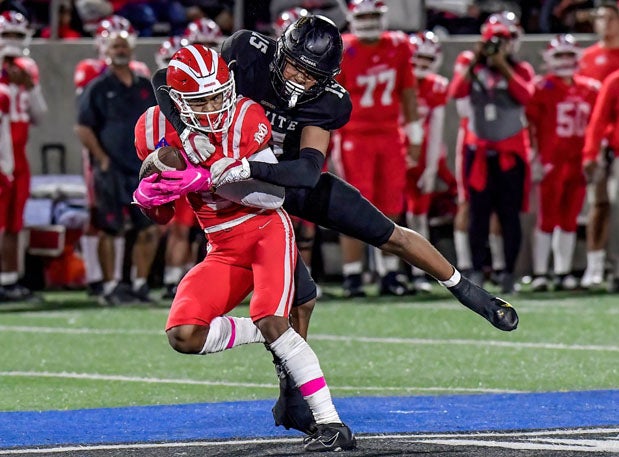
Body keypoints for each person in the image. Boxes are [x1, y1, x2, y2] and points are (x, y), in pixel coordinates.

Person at [149, 14, 518, 436]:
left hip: (279, 177)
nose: (297, 80)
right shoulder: (246, 54)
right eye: (292, 66)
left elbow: (307, 171)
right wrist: (189, 137)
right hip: (243, 195)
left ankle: (468, 290)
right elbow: (164, 77)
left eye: (311, 75)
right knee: (301, 297)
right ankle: (292, 393)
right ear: (279, 52)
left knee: (387, 234)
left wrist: (237, 166)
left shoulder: (330, 102)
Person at [132, 44, 356, 452]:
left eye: (221, 93)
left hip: (266, 231)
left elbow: (271, 199)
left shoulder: (245, 116)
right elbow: (163, 218)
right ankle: (269, 333)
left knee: (273, 318)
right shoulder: (152, 130)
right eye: (205, 100)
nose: (218, 104)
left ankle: (332, 424)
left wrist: (208, 177)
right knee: (184, 335)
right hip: (221, 246)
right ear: (179, 103)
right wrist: (152, 200)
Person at [333, 0, 421, 297]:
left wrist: (415, 133)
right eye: (364, 15)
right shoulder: (343, 48)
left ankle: (390, 273)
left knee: (392, 207)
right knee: (353, 207)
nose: (369, 20)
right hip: (355, 137)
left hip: (389, 135)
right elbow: (332, 101)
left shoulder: (398, 45)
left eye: (374, 14)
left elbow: (408, 91)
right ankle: (353, 275)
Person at [448, 13, 535, 294]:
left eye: (504, 40)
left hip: (510, 151)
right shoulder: (470, 66)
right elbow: (456, 91)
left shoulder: (520, 68)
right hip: (480, 152)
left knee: (509, 215)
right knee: (478, 214)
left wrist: (503, 68)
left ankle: (508, 271)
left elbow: (527, 97)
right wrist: (476, 60)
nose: (499, 46)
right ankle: (476, 269)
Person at [75, 19, 159, 305]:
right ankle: (110, 286)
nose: (120, 50)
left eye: (124, 45)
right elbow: (83, 127)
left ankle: (139, 284)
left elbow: (159, 123)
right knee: (111, 227)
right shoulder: (97, 87)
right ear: (106, 51)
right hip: (111, 168)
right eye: (115, 46)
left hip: (142, 168)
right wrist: (101, 159)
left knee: (148, 227)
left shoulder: (146, 87)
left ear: (132, 49)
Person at [526, 34, 599, 291]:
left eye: (570, 55)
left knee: (569, 218)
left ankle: (562, 271)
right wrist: (534, 156)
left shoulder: (589, 88)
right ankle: (540, 272)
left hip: (578, 159)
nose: (566, 60)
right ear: (548, 59)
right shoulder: (540, 87)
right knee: (546, 218)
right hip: (551, 160)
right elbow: (530, 127)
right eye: (560, 55)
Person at [0, 11, 47, 300]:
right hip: (2, 157)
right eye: (8, 35)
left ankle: (9, 279)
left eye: (18, 35)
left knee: (16, 223)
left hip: (19, 155)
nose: (13, 42)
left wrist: (31, 86)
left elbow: (39, 116)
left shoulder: (28, 67)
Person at [406, 30, 453, 293]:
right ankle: (381, 272)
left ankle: (418, 272)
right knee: (384, 214)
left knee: (418, 215)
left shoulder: (436, 85)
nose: (422, 65)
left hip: (424, 155)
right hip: (396, 152)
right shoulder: (400, 82)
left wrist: (432, 167)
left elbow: (437, 130)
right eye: (417, 59)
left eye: (427, 59)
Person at [577, 1, 619, 289]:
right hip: (597, 137)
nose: (603, 23)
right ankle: (594, 265)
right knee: (599, 203)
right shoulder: (588, 57)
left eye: (609, 17)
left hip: (611, 135)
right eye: (599, 17)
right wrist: (591, 147)